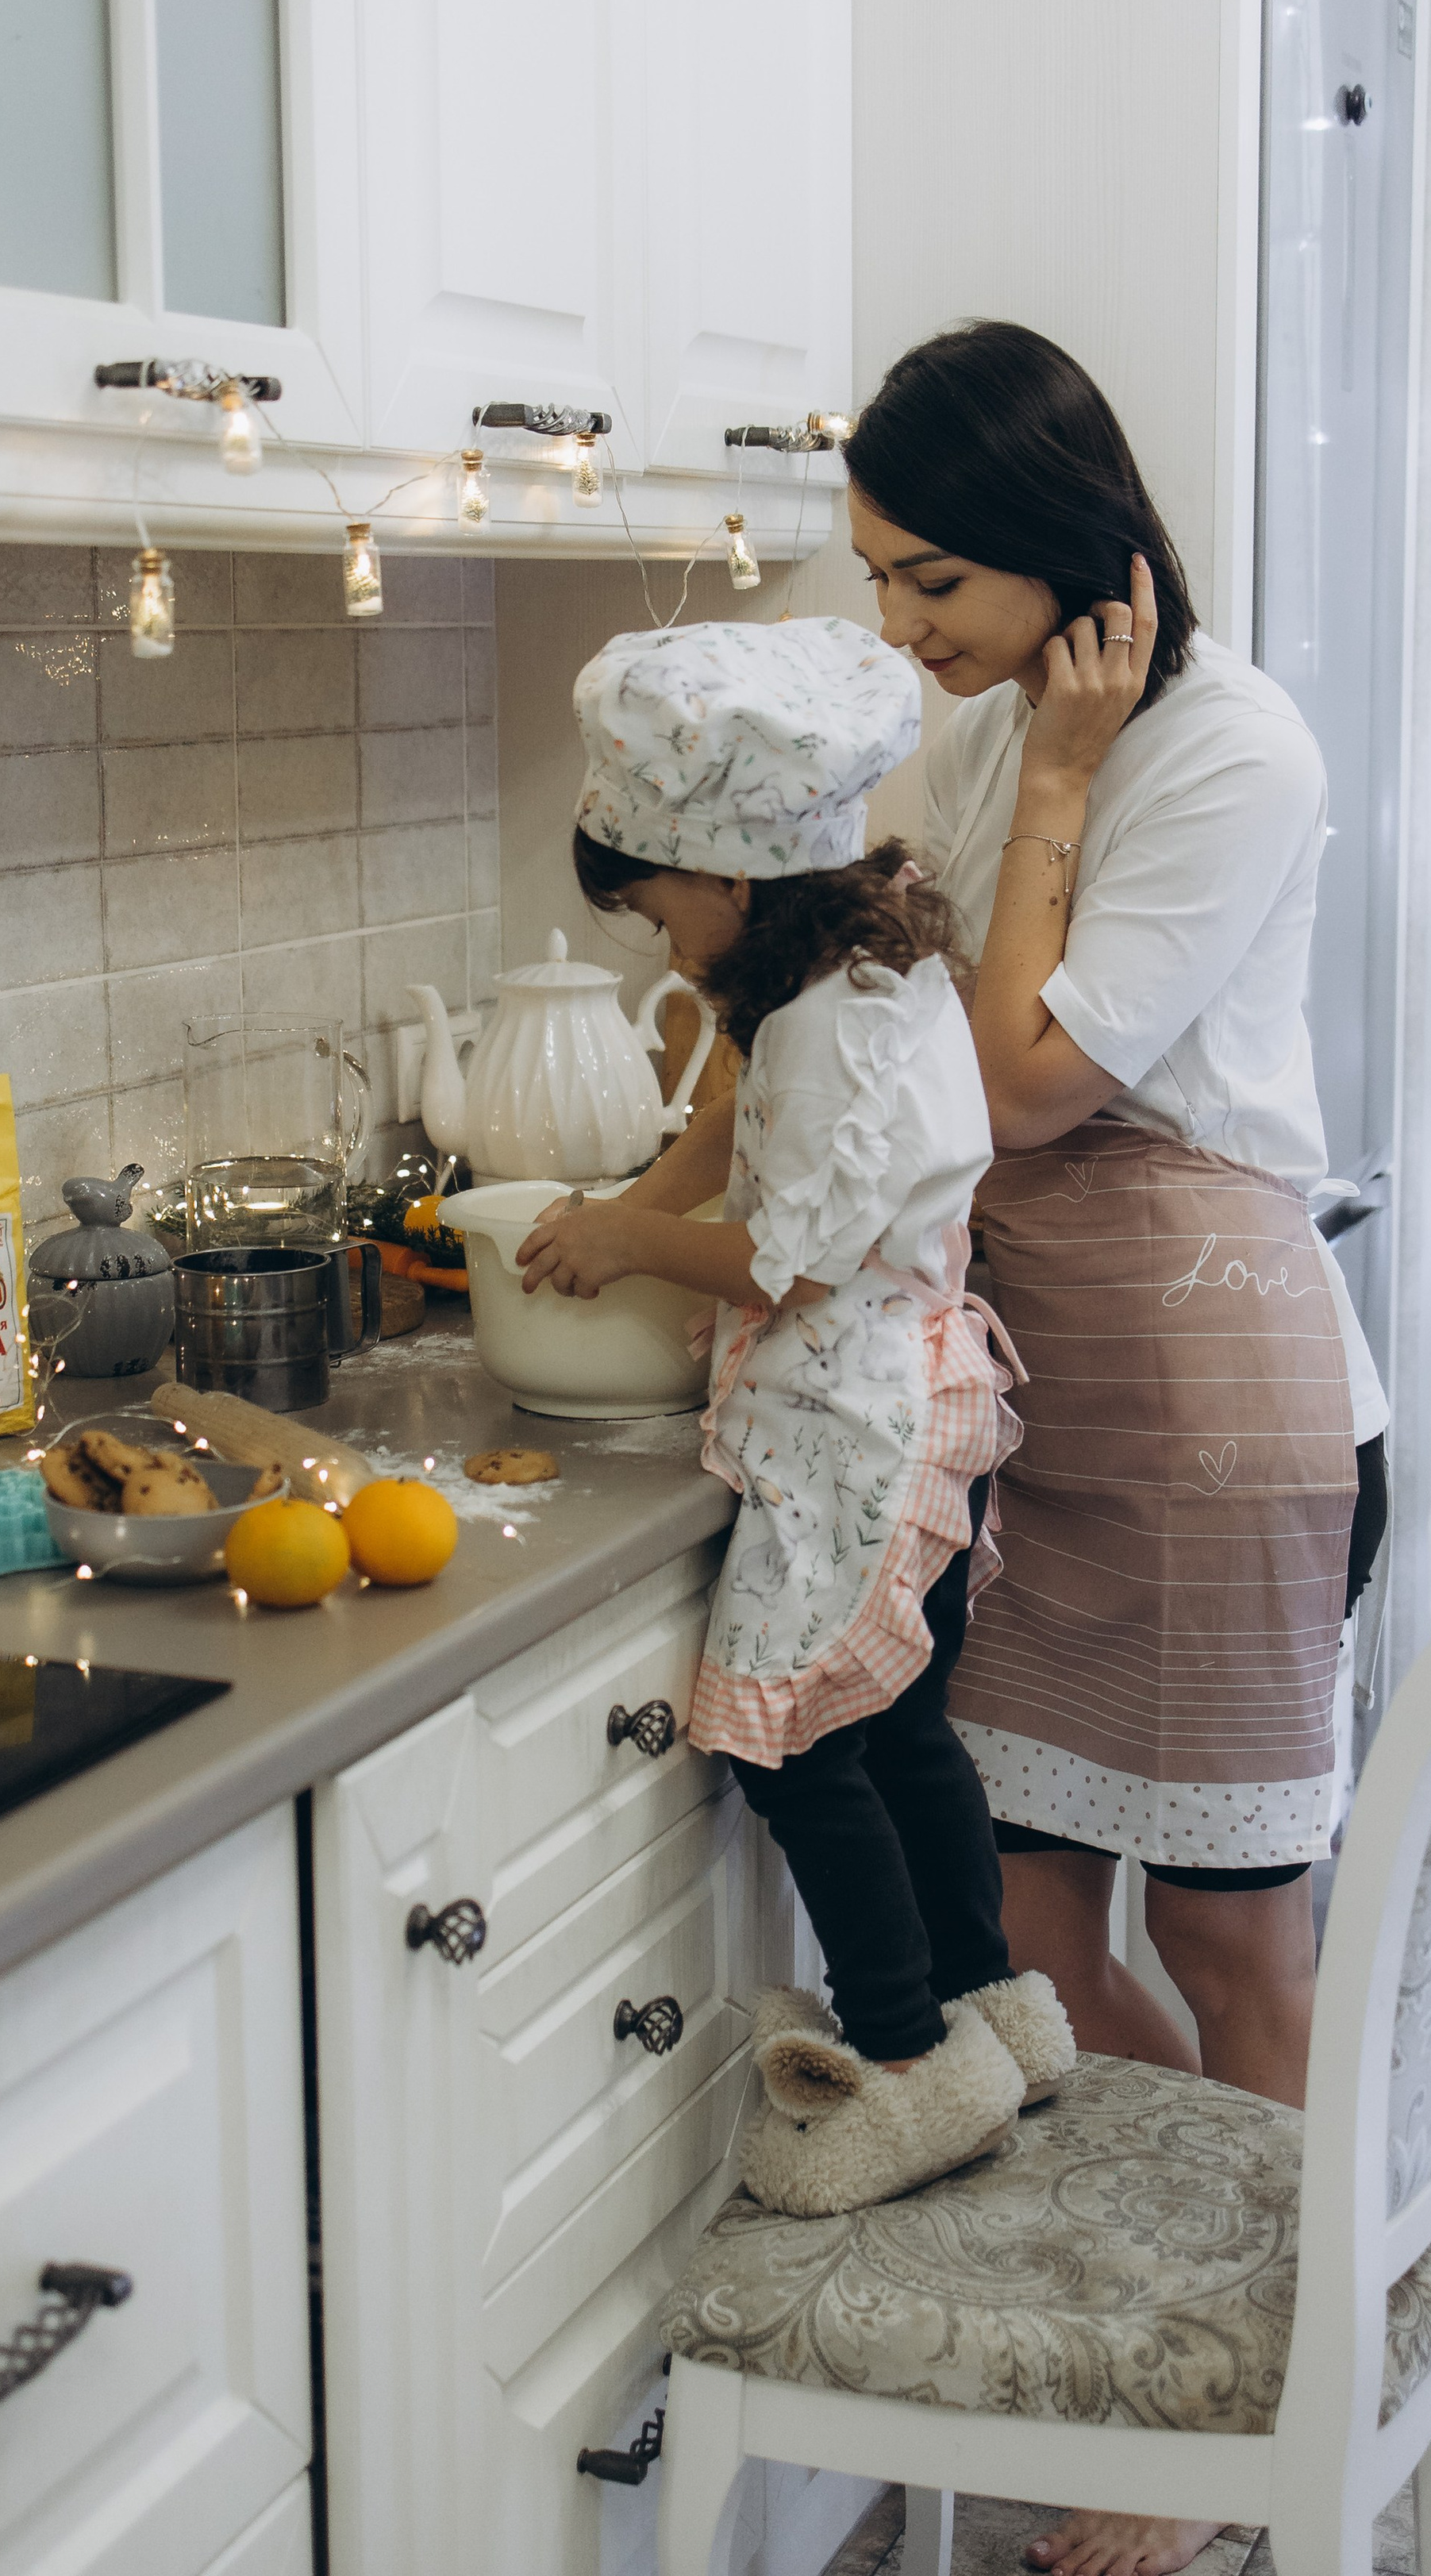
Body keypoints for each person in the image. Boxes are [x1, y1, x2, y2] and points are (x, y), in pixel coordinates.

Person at [846, 320, 1390, 2576]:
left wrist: (1058, 789)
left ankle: (1272, 2402)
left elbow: (1033, 1083)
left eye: (930, 583)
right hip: (1044, 1408)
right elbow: (902, 984)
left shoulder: (1225, 748)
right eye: (877, 578)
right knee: (1044, 1935)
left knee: (1249, 1961)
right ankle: (1220, 2363)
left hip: (1212, 1408)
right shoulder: (979, 737)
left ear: (1073, 560)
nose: (899, 628)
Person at [514, 612, 1075, 2217]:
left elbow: (790, 1261)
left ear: (730, 877)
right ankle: (990, 2016)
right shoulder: (851, 969)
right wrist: (622, 1197)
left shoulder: (823, 1023)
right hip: (908, 1404)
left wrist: (623, 1239)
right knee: (897, 1732)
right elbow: (725, 1126)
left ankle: (902, 2071)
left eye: (655, 909)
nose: (656, 943)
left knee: (793, 1753)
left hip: (847, 1421)